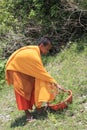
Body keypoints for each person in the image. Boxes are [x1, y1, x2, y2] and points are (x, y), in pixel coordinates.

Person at [5, 36, 62, 122]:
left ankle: (38, 108)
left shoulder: (35, 51)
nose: (47, 52)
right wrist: (55, 83)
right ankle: (28, 115)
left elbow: (40, 72)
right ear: (42, 46)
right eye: (47, 49)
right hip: (16, 70)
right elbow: (42, 73)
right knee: (22, 92)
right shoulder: (34, 55)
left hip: (24, 70)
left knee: (34, 86)